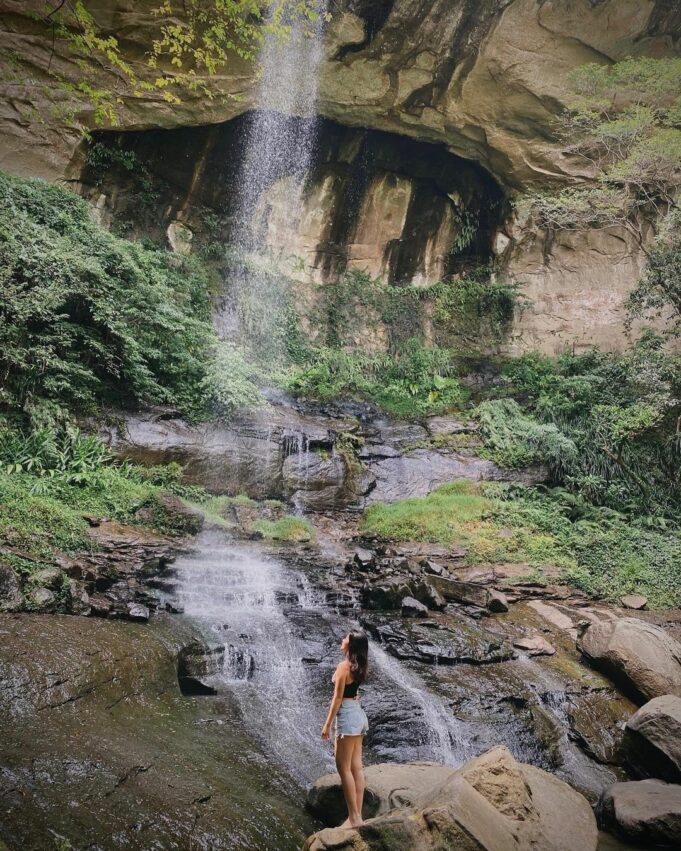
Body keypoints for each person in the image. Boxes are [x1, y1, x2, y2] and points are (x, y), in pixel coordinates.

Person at [321, 631, 370, 828]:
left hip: (348, 717)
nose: (342, 640)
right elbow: (354, 693)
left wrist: (327, 725)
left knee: (343, 768)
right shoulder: (358, 667)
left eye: (346, 638)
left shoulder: (343, 667)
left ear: (351, 645)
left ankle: (354, 818)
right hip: (358, 714)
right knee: (356, 767)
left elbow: (337, 699)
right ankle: (357, 817)